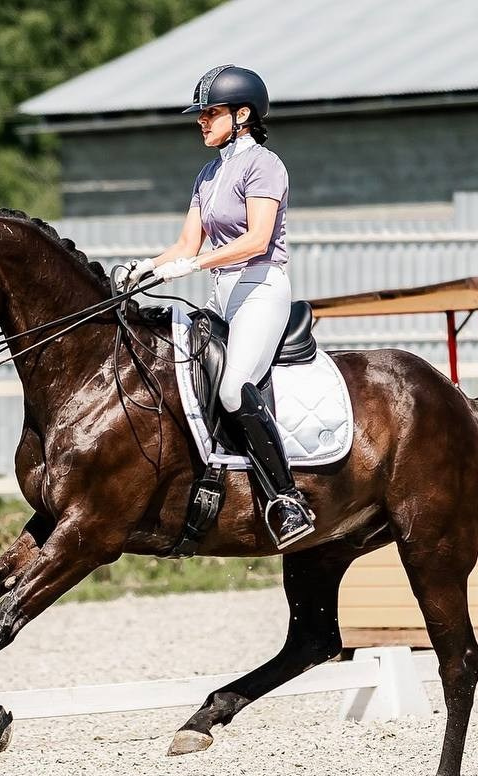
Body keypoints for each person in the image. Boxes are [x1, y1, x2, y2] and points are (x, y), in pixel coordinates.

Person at [126, 65, 314, 549]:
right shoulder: (208, 174)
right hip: (222, 292)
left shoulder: (265, 165)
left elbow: (255, 239)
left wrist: (192, 265)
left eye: (210, 113)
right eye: (201, 114)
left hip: (260, 287)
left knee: (233, 389)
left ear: (243, 114)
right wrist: (144, 269)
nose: (201, 121)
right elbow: (186, 243)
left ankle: (287, 498)